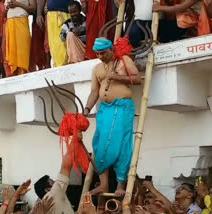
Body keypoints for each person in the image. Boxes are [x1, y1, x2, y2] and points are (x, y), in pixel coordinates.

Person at [83, 37, 142, 196]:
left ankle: (120, 186)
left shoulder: (124, 61)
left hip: (122, 107)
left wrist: (116, 77)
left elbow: (137, 79)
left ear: (111, 50)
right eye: (97, 54)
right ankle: (104, 185)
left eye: (103, 53)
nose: (100, 56)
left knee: (121, 145)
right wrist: (87, 109)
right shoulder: (97, 69)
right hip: (105, 110)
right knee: (100, 145)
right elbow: (95, 92)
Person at [5, 0, 36, 76]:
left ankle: (24, 72)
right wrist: (8, 6)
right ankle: (15, 74)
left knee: (23, 48)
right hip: (10, 23)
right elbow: (5, 11)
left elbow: (33, 9)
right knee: (12, 51)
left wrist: (18, 4)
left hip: (22, 21)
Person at [36, 0, 70, 67]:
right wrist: (39, 14)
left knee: (67, 44)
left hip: (68, 13)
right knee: (55, 46)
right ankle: (59, 68)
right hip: (52, 15)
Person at [30, 0, 50, 72]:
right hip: (39, 17)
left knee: (44, 44)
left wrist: (39, 14)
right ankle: (45, 67)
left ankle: (46, 66)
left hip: (42, 18)